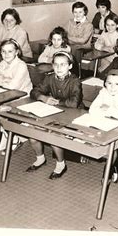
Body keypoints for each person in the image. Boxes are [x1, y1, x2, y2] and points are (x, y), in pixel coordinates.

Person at [27, 51, 82, 179]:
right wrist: (42, 97)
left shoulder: (75, 81)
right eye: (56, 64)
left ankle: (61, 164)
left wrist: (57, 102)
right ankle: (40, 158)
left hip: (73, 115)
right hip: (54, 113)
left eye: (63, 65)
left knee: (54, 135)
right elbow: (34, 91)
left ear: (70, 66)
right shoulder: (50, 78)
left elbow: (74, 103)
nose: (59, 68)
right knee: (32, 133)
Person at [0, 39, 33, 152]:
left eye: (10, 51)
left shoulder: (21, 65)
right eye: (3, 51)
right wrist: (5, 80)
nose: (6, 54)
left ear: (16, 52)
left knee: (0, 112)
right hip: (5, 95)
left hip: (22, 98)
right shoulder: (2, 63)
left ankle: (14, 138)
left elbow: (13, 86)